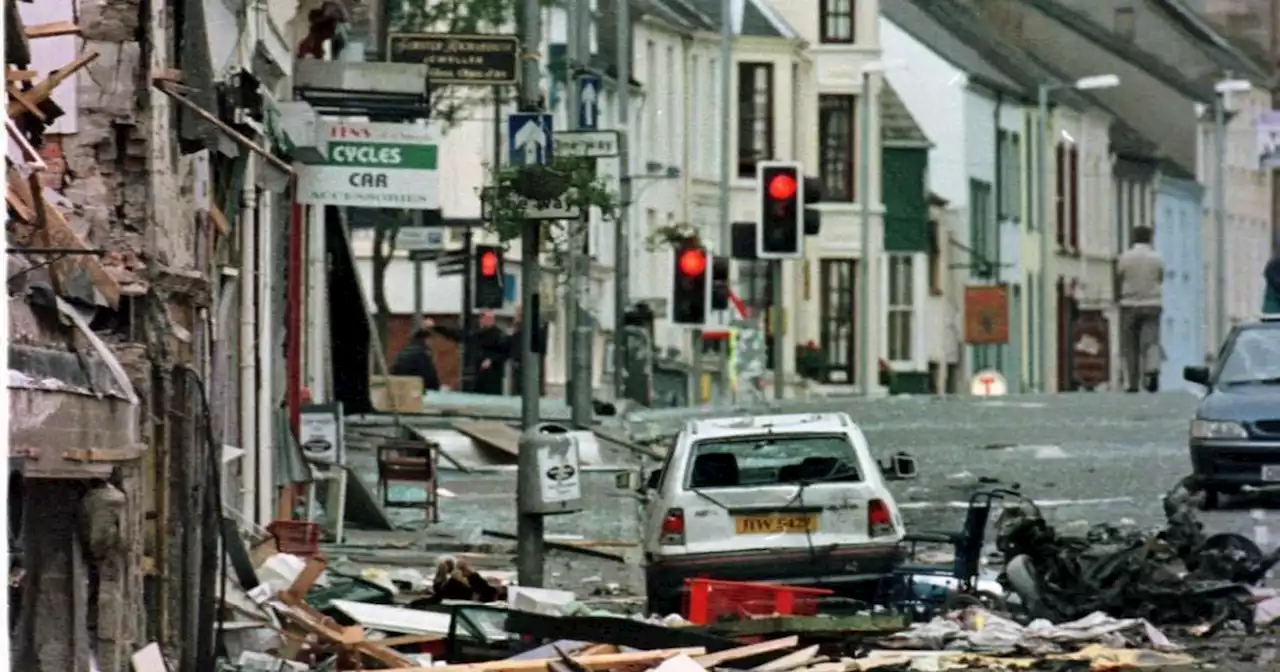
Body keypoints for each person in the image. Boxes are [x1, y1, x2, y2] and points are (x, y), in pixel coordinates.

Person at [1116, 226, 1164, 393]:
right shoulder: (1156, 258)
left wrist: (1119, 297)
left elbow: (1119, 276)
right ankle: (1151, 370)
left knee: (1130, 344)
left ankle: (1133, 382)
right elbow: (1161, 277)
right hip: (1152, 303)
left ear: (1133, 238)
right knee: (1151, 341)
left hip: (1129, 304)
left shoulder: (1125, 257)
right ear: (1150, 238)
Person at [429, 311, 514, 395]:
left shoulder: (498, 335)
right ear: (481, 320)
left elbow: (505, 352)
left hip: (492, 376)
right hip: (476, 372)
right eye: (488, 319)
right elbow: (456, 334)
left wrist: (491, 360)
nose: (490, 321)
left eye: (491, 319)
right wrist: (437, 327)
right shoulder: (476, 334)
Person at [390, 320, 442, 392]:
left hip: (399, 388)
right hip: (414, 390)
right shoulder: (422, 353)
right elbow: (430, 377)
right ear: (428, 339)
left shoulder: (407, 349)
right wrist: (436, 389)